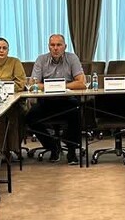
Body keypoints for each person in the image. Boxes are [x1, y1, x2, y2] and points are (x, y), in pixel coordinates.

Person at [26, 34, 86, 164]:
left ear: (65, 46)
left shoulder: (72, 58)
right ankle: (52, 146)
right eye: (52, 45)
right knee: (30, 117)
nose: (55, 48)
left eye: (59, 45)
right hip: (46, 101)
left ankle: (72, 151)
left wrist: (60, 86)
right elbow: (33, 84)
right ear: (48, 47)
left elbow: (81, 83)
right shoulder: (41, 59)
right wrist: (52, 87)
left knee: (76, 111)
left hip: (67, 100)